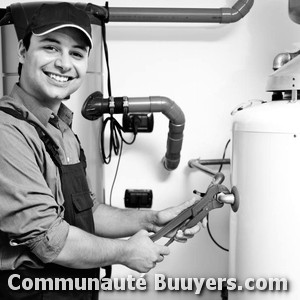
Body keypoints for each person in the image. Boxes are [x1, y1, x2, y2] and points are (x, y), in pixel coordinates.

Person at [0, 2, 201, 299]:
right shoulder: (7, 131)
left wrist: (154, 219)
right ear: (21, 50)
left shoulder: (64, 129)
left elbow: (89, 212)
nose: (64, 64)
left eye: (76, 54)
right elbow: (49, 238)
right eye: (51, 47)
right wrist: (125, 252)